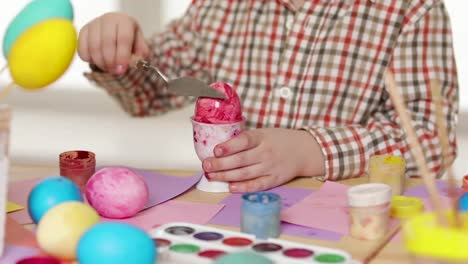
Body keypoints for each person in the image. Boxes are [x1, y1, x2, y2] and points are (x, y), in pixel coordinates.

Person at [78, 0, 459, 193]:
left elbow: (429, 139)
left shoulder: (414, 9)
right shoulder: (222, 6)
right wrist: (118, 51)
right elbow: (150, 96)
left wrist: (311, 149)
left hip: (350, 228)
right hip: (234, 216)